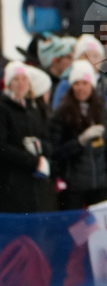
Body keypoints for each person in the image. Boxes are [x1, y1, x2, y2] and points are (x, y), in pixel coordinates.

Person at [48, 60, 107, 210]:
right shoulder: (61, 113)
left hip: (100, 184)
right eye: (77, 83)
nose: (81, 88)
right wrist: (79, 141)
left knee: (100, 231)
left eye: (85, 83)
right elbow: (55, 151)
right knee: (75, 230)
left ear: (91, 85)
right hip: (73, 187)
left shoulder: (102, 111)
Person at [51, 34, 107, 165]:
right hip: (73, 154)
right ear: (77, 59)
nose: (91, 60)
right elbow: (56, 122)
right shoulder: (66, 85)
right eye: (86, 56)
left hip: (103, 153)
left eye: (95, 56)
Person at [0, 61, 57, 213]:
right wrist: (33, 161)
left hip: (38, 186)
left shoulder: (33, 109)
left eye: (24, 79)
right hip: (13, 186)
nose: (20, 84)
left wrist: (40, 147)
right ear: (8, 84)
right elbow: (3, 147)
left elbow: (48, 143)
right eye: (16, 79)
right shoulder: (3, 108)